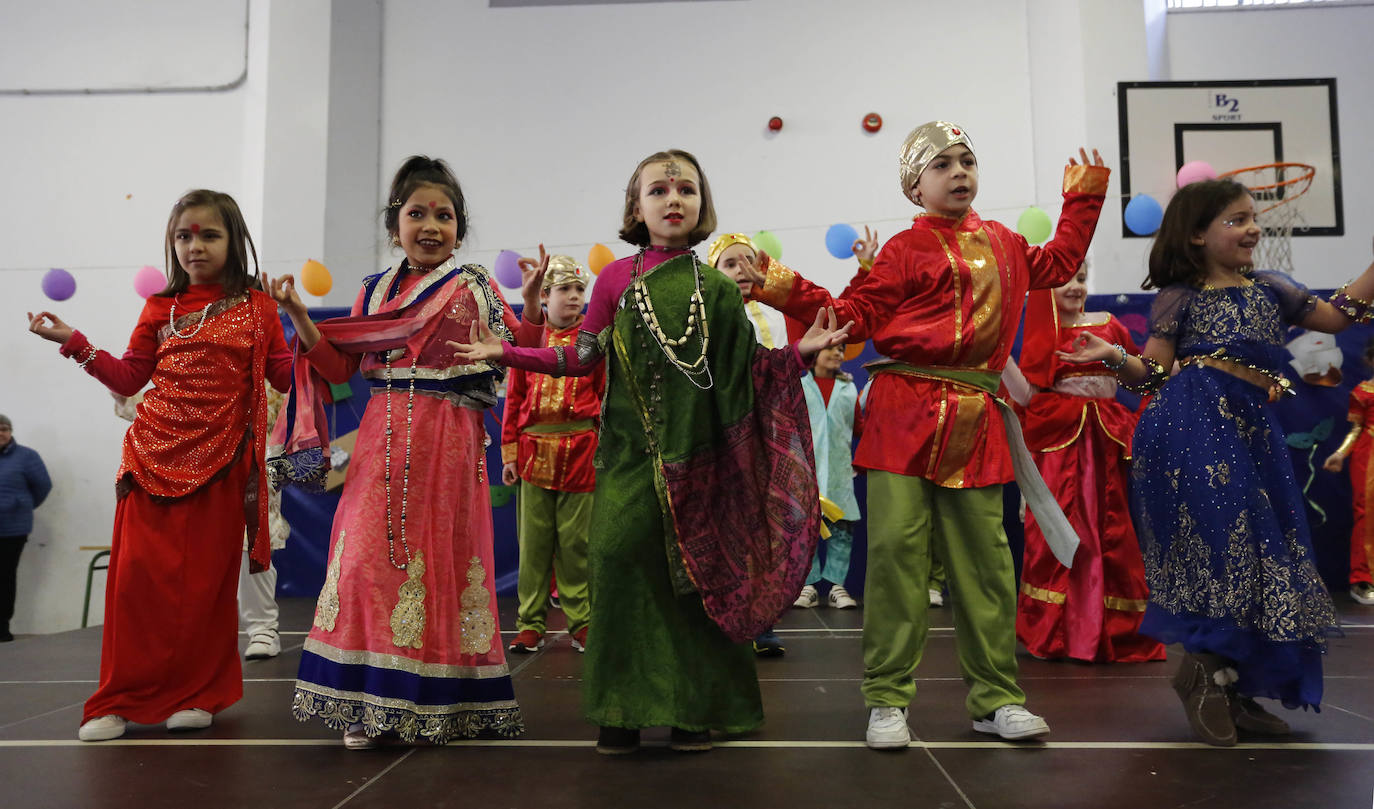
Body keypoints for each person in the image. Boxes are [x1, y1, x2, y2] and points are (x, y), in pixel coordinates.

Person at [450, 148, 851, 754]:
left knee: (693, 584)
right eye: (659, 191)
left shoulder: (716, 288)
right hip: (627, 463)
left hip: (701, 465)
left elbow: (744, 371)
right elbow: (581, 358)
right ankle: (621, 714)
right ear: (637, 208)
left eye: (686, 190)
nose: (673, 200)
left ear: (701, 205)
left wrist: (799, 354)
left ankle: (692, 714)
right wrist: (508, 354)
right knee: (619, 571)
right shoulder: (615, 278)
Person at [737, 122, 1110, 748]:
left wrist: (1084, 197)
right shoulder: (902, 252)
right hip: (902, 419)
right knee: (894, 562)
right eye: (942, 165)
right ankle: (887, 701)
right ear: (915, 186)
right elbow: (850, 314)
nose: (959, 171)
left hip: (979, 418)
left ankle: (996, 699)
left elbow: (1063, 262)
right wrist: (778, 283)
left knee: (986, 565)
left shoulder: (1005, 243)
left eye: (967, 160)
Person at [1058, 178, 1372, 745]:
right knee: (1221, 549)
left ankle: (1240, 688)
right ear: (1197, 234)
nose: (1252, 227)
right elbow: (1155, 373)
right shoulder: (1181, 296)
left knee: (1265, 551)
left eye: (1253, 217)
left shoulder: (1272, 288)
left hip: (1252, 429)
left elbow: (1339, 316)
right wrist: (1115, 357)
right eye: (1235, 219)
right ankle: (1205, 674)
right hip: (1191, 426)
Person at [268, 156, 529, 749]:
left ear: (459, 228)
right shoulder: (373, 292)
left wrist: (533, 306)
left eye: (445, 215)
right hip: (382, 440)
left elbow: (522, 349)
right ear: (395, 226)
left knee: (439, 565)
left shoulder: (475, 288)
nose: (431, 225)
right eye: (417, 214)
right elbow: (340, 366)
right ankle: (365, 701)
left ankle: (443, 702)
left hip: (450, 442)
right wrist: (301, 318)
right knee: (362, 562)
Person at [27, 190, 292, 741]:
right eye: (183, 236)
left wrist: (302, 322)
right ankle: (118, 699)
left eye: (209, 235)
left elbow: (288, 378)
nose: (195, 246)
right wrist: (72, 342)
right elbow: (128, 378)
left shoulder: (259, 307)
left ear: (234, 240)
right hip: (150, 461)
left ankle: (198, 693)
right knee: (133, 588)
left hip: (220, 468)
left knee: (203, 590)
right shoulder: (160, 307)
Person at [1013, 262, 1166, 663]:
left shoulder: (1108, 325)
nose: (1076, 286)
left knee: (1110, 526)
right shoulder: (1040, 334)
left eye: (1081, 277)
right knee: (1056, 531)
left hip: (1104, 441)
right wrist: (998, 362)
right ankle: (1056, 630)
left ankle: (1111, 628)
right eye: (1066, 278)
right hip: (1059, 443)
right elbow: (1029, 396)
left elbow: (1139, 377)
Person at [114, 387, 291, 659]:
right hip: (196, 470)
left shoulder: (261, 370)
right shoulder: (190, 367)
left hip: (251, 468)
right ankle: (199, 631)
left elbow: (286, 409)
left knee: (251, 546)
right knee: (196, 552)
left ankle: (263, 628)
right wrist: (117, 381)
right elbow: (142, 404)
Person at [501, 255, 604, 655]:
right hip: (532, 455)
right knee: (534, 545)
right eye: (565, 289)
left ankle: (581, 623)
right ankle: (530, 624)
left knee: (578, 545)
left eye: (580, 289)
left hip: (582, 453)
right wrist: (509, 453)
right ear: (544, 296)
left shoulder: (594, 344)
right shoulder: (531, 343)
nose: (575, 297)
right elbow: (515, 398)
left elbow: (606, 396)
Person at [791, 344, 865, 611]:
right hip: (805, 473)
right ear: (814, 355)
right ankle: (807, 586)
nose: (838, 354)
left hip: (838, 473)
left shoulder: (849, 390)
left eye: (842, 349)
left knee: (841, 528)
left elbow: (859, 427)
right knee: (805, 529)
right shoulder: (798, 387)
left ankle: (836, 586)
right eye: (831, 349)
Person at [1322, 337, 1374, 606]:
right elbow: (1355, 430)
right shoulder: (1363, 392)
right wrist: (1340, 453)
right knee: (1365, 513)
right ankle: (1363, 578)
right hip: (1368, 455)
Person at [0, 414, 52, 643]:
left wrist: (23, 505)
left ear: (10, 431)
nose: (1, 433)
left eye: (4, 429)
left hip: (13, 529)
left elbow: (43, 486)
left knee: (5, 577)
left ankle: (2, 627)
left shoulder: (27, 457)